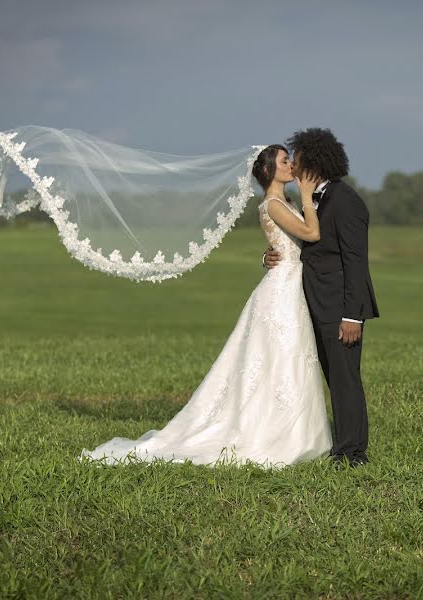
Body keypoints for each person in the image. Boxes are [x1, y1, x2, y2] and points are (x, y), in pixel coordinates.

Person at [79, 144, 332, 468]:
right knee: (282, 357)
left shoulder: (286, 202)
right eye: (285, 161)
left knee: (290, 359)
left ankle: (299, 434)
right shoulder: (273, 203)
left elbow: (286, 244)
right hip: (281, 292)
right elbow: (311, 233)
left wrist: (268, 250)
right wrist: (310, 195)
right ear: (269, 170)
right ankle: (275, 437)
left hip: (289, 286)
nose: (292, 166)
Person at [264, 128, 379, 467]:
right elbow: (298, 244)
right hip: (310, 303)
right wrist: (269, 255)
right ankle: (341, 445)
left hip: (338, 309)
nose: (293, 165)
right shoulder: (312, 198)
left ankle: (352, 453)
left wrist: (353, 315)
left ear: (312, 162)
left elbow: (356, 262)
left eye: (296, 159)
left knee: (345, 380)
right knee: (332, 378)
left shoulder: (345, 201)